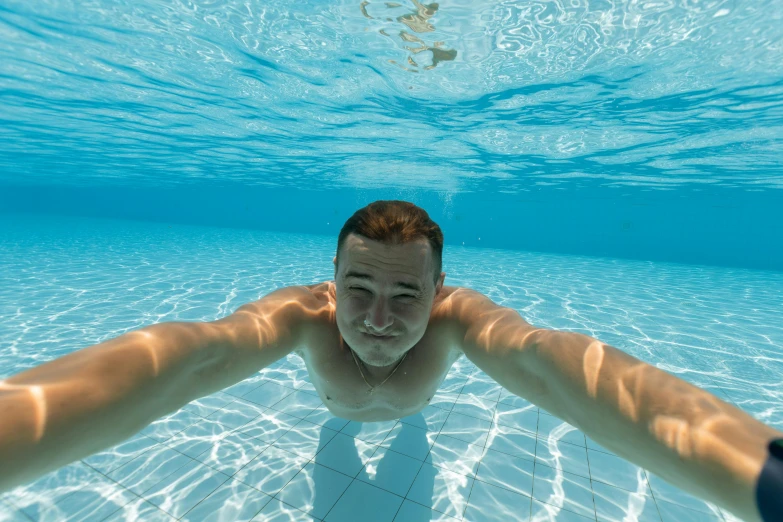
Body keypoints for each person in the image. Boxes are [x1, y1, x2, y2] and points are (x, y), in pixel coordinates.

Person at [0, 200, 780, 522]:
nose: (375, 320)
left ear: (440, 291)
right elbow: (188, 360)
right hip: (339, 411)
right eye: (356, 289)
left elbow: (550, 365)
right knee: (335, 437)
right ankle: (345, 439)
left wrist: (760, 477)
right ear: (329, 281)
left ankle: (406, 437)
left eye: (405, 298)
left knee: (412, 437)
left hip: (411, 412)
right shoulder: (302, 320)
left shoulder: (459, 321)